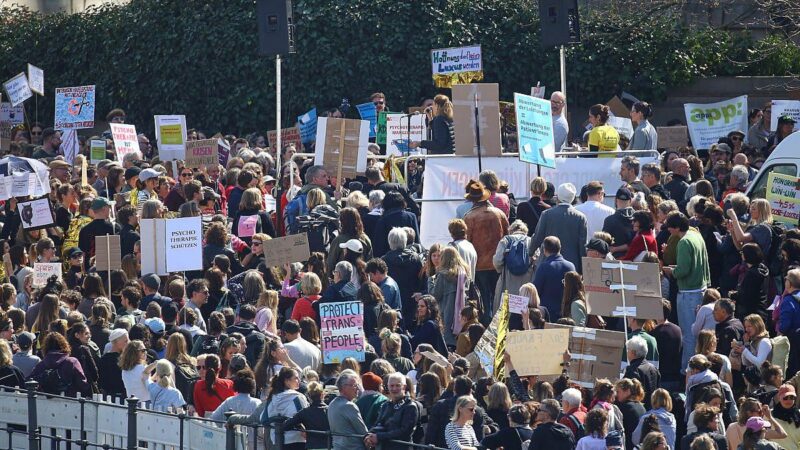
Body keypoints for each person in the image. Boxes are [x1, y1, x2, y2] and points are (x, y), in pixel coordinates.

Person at [661, 212, 710, 371]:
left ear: (675, 227)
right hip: (700, 289)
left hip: (688, 293)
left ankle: (687, 371)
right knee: (696, 334)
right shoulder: (696, 235)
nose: (668, 229)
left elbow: (683, 271)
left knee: (689, 336)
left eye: (669, 226)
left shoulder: (683, 242)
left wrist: (670, 271)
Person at [463, 180, 509, 322]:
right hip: (497, 264)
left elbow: (467, 242)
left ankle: (486, 328)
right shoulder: (499, 214)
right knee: (498, 299)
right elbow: (507, 236)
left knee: (483, 300)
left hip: (479, 265)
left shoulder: (469, 217)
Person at [529, 182, 587, 273]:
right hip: (572, 266)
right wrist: (583, 268)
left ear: (558, 196)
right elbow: (582, 245)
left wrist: (530, 253)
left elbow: (537, 237)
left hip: (548, 263)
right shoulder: (581, 217)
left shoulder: (547, 214)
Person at [364, 372, 419, 450]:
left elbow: (404, 432)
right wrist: (369, 435)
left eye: (398, 385)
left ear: (404, 387)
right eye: (391, 386)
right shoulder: (386, 405)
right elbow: (378, 424)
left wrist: (379, 437)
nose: (394, 389)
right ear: (388, 387)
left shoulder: (410, 406)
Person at [30, 332, 91, 397]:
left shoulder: (41, 365)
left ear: (45, 347)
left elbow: (31, 383)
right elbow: (83, 384)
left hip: (46, 403)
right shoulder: (72, 362)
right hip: (71, 401)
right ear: (64, 345)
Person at [264, 367, 308, 450]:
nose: (299, 380)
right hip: (297, 439)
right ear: (287, 381)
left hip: (277, 440)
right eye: (296, 378)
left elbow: (264, 419)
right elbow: (305, 417)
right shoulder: (298, 397)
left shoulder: (272, 397)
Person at [533, 237, 576, 322]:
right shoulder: (571, 266)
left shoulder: (544, 267)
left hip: (547, 315)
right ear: (560, 248)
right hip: (566, 314)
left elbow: (536, 290)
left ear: (544, 250)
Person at [492, 220, 533, 307]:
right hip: (527, 279)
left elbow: (497, 260)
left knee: (506, 309)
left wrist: (500, 270)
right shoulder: (530, 241)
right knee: (524, 308)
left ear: (511, 230)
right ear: (525, 231)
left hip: (507, 278)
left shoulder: (506, 240)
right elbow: (536, 260)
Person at [327, 369, 369, 450]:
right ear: (344, 387)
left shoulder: (332, 404)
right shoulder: (349, 405)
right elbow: (363, 431)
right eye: (355, 385)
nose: (357, 388)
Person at [624, 336, 661, 407]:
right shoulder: (653, 368)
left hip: (639, 409)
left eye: (628, 350)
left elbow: (626, 394)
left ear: (633, 352)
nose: (627, 352)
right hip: (652, 408)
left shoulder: (632, 370)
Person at [602, 188, 635, 259]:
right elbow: (635, 242)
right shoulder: (638, 219)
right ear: (630, 201)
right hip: (635, 259)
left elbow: (604, 243)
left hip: (616, 259)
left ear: (616, 200)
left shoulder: (609, 220)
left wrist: (615, 249)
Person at [615, 378, 646, 449]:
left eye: (618, 391)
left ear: (627, 391)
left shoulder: (624, 408)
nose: (617, 395)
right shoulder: (641, 407)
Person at [771, 384, 800, 450]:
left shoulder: (798, 414)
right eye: (785, 397)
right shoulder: (769, 415)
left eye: (792, 397)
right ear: (779, 397)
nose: (788, 400)